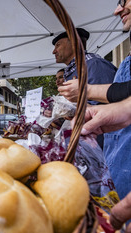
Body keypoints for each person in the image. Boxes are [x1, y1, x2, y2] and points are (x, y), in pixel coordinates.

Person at [74, 0, 131, 215]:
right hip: (117, 177)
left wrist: (87, 91)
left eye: (124, 0)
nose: (117, 10)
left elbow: (119, 92)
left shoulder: (95, 64)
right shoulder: (126, 60)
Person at [52, 28, 117, 105]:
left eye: (58, 45)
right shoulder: (73, 70)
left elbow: (104, 102)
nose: (54, 51)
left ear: (74, 43)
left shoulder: (94, 64)